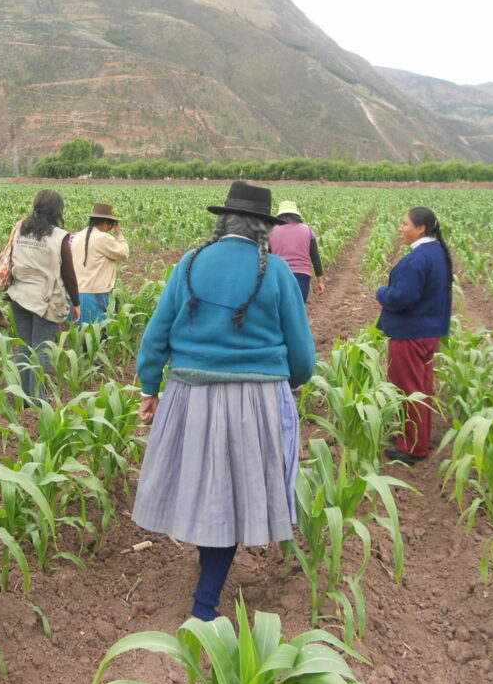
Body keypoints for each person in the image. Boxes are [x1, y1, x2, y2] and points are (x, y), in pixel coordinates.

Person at [133, 181, 315, 621]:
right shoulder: (274, 272)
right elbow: (303, 356)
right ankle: (204, 606)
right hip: (254, 399)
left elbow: (157, 334)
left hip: (190, 394)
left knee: (205, 490)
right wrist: (290, 383)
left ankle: (205, 591)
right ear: (262, 229)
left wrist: (150, 388)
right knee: (229, 498)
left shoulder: (190, 263)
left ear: (223, 221)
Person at [375, 206, 453, 465]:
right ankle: (418, 438)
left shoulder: (418, 258)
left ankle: (411, 448)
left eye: (405, 223)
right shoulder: (436, 252)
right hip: (428, 331)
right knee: (421, 388)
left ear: (421, 228)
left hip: (410, 333)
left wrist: (381, 293)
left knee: (408, 389)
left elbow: (402, 298)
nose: (400, 228)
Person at [6, 190, 80, 402]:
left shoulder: (20, 228)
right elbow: (68, 274)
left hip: (18, 295)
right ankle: (38, 402)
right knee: (40, 350)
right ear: (58, 210)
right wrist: (76, 302)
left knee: (24, 347)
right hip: (44, 300)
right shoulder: (59, 237)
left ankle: (23, 398)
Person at [70, 202, 129, 323]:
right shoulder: (103, 238)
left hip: (76, 295)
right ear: (106, 223)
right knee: (98, 337)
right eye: (111, 225)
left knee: (80, 338)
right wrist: (120, 234)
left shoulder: (78, 236)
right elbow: (124, 253)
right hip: (94, 295)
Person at [268, 200, 325, 302]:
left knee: (280, 311)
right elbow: (315, 257)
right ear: (296, 214)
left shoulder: (271, 231)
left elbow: (267, 257)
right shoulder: (307, 230)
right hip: (302, 277)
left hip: (279, 276)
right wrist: (320, 281)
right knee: (297, 311)